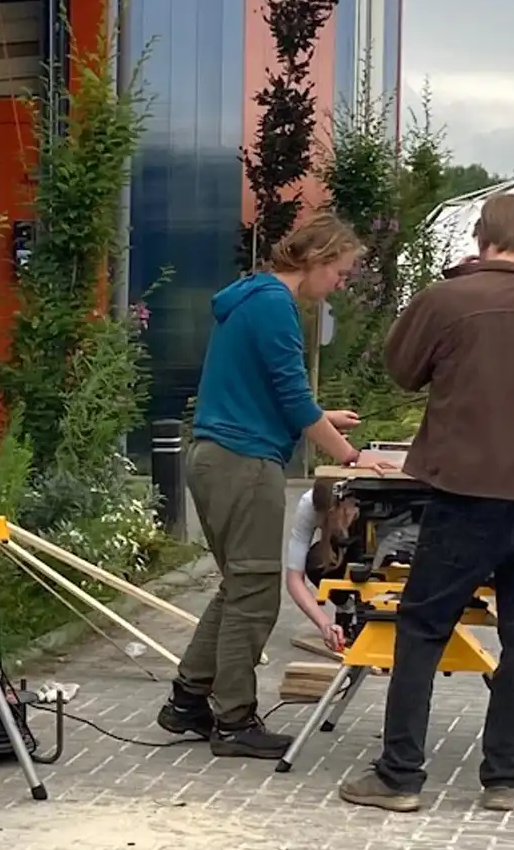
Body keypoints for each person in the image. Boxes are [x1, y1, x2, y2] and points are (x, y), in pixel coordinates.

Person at [339, 193, 514, 813]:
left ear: (480, 237)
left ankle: (400, 775)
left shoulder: (446, 299)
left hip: (465, 496)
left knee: (423, 627)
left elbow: (403, 370)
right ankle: (503, 779)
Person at [155, 212, 364, 759]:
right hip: (243, 462)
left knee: (239, 585)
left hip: (218, 454)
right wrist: (351, 457)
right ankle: (234, 721)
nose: (339, 285)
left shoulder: (251, 295)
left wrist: (323, 418)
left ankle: (188, 700)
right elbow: (292, 399)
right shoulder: (275, 305)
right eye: (340, 272)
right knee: (254, 593)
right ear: (317, 259)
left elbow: (266, 390)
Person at [285, 478, 360, 654]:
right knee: (316, 561)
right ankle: (346, 607)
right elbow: (294, 579)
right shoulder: (308, 505)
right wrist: (324, 624)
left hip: (373, 539)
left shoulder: (365, 500)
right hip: (338, 548)